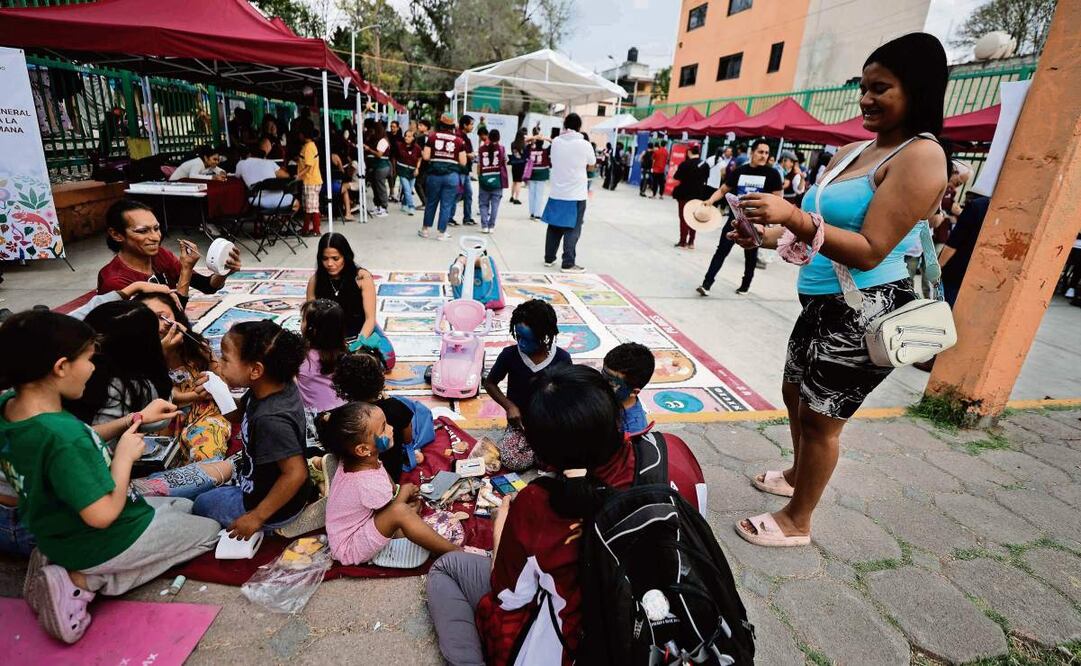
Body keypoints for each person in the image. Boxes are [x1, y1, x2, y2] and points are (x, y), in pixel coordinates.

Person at [724, 32, 949, 547]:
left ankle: (797, 520)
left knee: (823, 418)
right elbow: (815, 227)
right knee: (794, 396)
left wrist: (795, 217)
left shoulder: (921, 157)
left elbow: (870, 248)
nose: (867, 99)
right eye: (864, 88)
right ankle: (799, 475)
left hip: (871, 306)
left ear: (917, 89)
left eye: (881, 88)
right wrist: (763, 231)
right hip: (822, 300)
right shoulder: (854, 151)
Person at [427, 365, 705, 664]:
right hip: (672, 626)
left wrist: (501, 527)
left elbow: (506, 594)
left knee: (448, 567)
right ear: (615, 413)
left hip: (578, 647)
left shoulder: (539, 503)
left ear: (542, 454)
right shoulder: (672, 451)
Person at [0, 311, 221, 645]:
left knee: (182, 507)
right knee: (210, 531)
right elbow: (101, 515)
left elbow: (80, 441)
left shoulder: (10, 408)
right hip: (102, 539)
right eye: (89, 359)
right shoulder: (64, 436)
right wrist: (123, 458)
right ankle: (79, 583)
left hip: (55, 531)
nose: (93, 368)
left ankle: (52, 562)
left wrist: (134, 419)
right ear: (61, 367)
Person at [193, 320, 316, 537]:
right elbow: (239, 414)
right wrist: (217, 393)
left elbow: (295, 474)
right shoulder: (270, 387)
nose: (218, 364)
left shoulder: (271, 419)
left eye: (225, 358)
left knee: (201, 504)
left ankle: (273, 529)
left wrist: (257, 517)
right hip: (256, 480)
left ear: (255, 370)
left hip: (274, 509)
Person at [317, 402, 459, 566]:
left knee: (407, 510)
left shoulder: (361, 461)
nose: (391, 429)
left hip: (353, 529)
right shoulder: (366, 482)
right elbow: (392, 512)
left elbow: (385, 484)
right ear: (362, 449)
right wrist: (404, 493)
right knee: (402, 512)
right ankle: (453, 551)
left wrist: (399, 495)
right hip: (349, 548)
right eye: (384, 428)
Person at [136, 293, 232, 462]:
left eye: (163, 317)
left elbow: (223, 377)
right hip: (165, 418)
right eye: (149, 321)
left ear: (177, 316)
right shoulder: (142, 357)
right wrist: (161, 355)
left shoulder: (195, 347)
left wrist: (214, 383)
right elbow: (170, 395)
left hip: (204, 414)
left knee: (206, 449)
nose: (159, 327)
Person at [96, 200, 241, 301]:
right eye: (143, 231)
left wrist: (223, 271)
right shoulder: (115, 282)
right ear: (116, 235)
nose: (155, 237)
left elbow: (206, 286)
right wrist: (186, 269)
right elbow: (169, 319)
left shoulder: (160, 255)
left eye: (156, 228)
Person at [695, 139, 783, 296]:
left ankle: (745, 285)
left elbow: (779, 200)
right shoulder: (740, 171)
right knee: (721, 251)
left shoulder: (773, 174)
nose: (764, 155)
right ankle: (707, 284)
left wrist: (772, 221)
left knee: (750, 255)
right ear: (752, 153)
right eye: (760, 152)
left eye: (766, 153)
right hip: (735, 220)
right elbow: (723, 190)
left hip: (756, 223)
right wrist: (710, 201)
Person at [333, 350, 430, 482]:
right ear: (380, 379)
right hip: (392, 473)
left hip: (356, 476)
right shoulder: (396, 407)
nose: (389, 428)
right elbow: (408, 439)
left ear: (343, 388)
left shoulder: (344, 417)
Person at [482, 299, 571, 433]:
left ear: (545, 335)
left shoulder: (562, 359)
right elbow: (490, 384)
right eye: (518, 337)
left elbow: (569, 396)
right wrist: (509, 406)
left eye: (528, 340)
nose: (522, 344)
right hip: (519, 426)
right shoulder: (510, 355)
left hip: (550, 426)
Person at [305, 233, 392, 363]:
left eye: (335, 258)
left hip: (362, 332)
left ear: (345, 256)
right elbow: (308, 320)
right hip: (329, 337)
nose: (330, 264)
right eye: (325, 259)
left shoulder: (362, 277)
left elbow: (370, 319)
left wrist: (357, 346)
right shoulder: (315, 281)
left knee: (387, 359)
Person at [542, 113, 595, 274]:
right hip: (576, 194)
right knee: (572, 229)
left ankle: (549, 258)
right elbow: (591, 164)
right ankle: (568, 263)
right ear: (579, 126)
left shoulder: (556, 142)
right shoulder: (584, 144)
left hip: (557, 192)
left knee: (554, 226)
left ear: (565, 125)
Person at [938, 187, 991, 307]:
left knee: (943, 309)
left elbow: (953, 243)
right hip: (980, 275)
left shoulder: (977, 206)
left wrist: (938, 266)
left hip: (956, 270)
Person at [419, 114, 468, 240]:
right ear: (453, 125)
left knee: (431, 202)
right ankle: (441, 233)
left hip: (434, 175)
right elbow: (463, 162)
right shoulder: (459, 141)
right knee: (446, 204)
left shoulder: (432, 137)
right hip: (451, 176)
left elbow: (426, 157)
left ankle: (425, 230)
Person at [296, 299, 348, 415]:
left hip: (316, 417)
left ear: (312, 330)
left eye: (302, 320)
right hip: (346, 410)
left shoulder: (300, 356)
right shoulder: (345, 354)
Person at [603, 342, 654, 435]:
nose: (601, 384)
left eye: (611, 384)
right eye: (602, 375)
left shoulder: (631, 431)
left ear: (634, 392)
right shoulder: (608, 397)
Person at [672, 143, 712, 249]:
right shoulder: (705, 164)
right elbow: (706, 178)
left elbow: (676, 177)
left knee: (683, 218)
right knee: (694, 218)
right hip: (698, 195)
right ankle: (691, 242)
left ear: (689, 152)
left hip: (684, 195)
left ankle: (682, 241)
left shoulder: (684, 164)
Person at [477, 128, 508, 234]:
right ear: (498, 138)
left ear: (489, 137)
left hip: (484, 179)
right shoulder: (502, 149)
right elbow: (505, 161)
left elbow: (478, 163)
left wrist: (479, 177)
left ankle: (484, 226)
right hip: (497, 180)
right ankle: (491, 226)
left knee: (483, 204)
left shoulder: (481, 149)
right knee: (495, 205)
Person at [295, 127, 324, 236]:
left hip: (310, 180)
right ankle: (306, 229)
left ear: (303, 135)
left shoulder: (308, 147)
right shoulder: (310, 145)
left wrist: (298, 175)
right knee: (309, 206)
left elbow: (308, 165)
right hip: (310, 180)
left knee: (312, 207)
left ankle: (316, 230)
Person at [363, 122, 391, 218]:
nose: (371, 132)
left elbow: (379, 154)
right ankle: (378, 206)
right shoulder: (377, 140)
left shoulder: (383, 141)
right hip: (376, 167)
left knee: (380, 187)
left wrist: (369, 149)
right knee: (375, 187)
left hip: (381, 167)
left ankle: (384, 207)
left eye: (373, 130)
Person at [456, 115, 478, 226]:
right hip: (460, 170)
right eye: (471, 124)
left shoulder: (465, 137)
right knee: (456, 194)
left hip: (466, 171)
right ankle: (449, 217)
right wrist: (470, 155)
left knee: (468, 194)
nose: (472, 126)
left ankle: (467, 218)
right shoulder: (459, 136)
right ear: (465, 125)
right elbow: (460, 153)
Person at [395, 128, 422, 216]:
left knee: (409, 189)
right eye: (405, 136)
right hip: (402, 170)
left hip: (412, 170)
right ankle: (411, 206)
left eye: (409, 136)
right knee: (407, 189)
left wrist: (417, 168)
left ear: (413, 138)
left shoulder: (417, 148)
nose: (407, 138)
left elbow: (419, 158)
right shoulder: (399, 145)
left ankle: (404, 204)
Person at [525, 132, 551, 220]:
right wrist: (545, 138)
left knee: (531, 194)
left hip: (532, 173)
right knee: (539, 194)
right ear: (543, 143)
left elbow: (525, 141)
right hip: (542, 173)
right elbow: (554, 142)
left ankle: (532, 213)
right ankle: (537, 214)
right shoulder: (546, 151)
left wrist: (534, 137)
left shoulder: (530, 150)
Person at [414, 118, 431, 208]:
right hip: (429, 163)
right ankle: (426, 201)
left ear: (426, 127)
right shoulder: (431, 137)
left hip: (422, 163)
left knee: (418, 183)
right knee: (424, 183)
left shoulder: (421, 137)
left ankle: (425, 202)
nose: (418, 127)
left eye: (421, 125)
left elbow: (419, 150)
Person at [508, 128, 528, 204]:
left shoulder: (512, 144)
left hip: (514, 164)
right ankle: (517, 198)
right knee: (519, 182)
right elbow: (525, 155)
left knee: (514, 181)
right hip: (521, 164)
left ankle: (512, 197)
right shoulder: (524, 145)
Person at [386, 120, 403, 204]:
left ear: (398, 127)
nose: (392, 128)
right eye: (391, 126)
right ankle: (391, 192)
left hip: (397, 158)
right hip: (388, 157)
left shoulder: (400, 137)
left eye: (394, 127)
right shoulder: (387, 135)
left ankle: (394, 193)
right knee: (390, 175)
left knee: (395, 175)